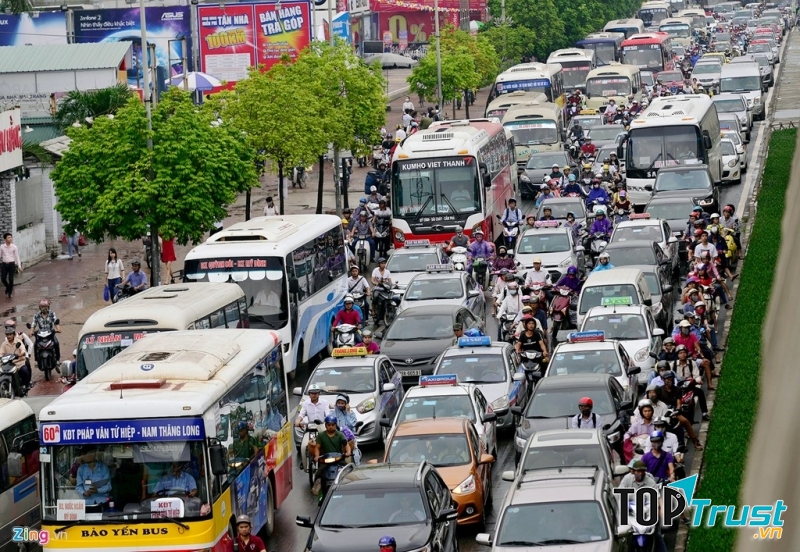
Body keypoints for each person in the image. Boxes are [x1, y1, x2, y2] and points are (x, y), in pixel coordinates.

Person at [656, 371, 703, 450]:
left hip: (674, 411)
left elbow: (678, 402)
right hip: (662, 412)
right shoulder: (660, 390)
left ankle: (695, 441)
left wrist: (677, 409)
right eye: (667, 379)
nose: (669, 381)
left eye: (670, 379)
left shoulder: (677, 389)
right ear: (663, 380)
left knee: (684, 421)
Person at [309, 414, 350, 495]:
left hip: (338, 460)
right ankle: (318, 486)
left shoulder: (340, 435)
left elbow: (346, 444)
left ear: (336, 425)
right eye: (329, 425)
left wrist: (348, 452)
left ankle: (347, 488)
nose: (331, 427)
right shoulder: (321, 436)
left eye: (333, 425)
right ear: (326, 425)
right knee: (319, 473)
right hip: (326, 461)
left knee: (347, 471)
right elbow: (317, 447)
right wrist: (317, 456)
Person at [295, 385, 331, 469]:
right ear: (309, 394)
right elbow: (301, 414)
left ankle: (328, 458)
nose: (314, 395)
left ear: (319, 394)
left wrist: (328, 421)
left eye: (316, 393)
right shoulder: (305, 403)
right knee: (303, 444)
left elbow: (327, 413)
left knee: (326, 443)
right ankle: (303, 461)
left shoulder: (325, 402)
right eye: (312, 393)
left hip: (321, 426)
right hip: (309, 427)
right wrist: (298, 421)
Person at [31, 299, 61, 367]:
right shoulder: (37, 315)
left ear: (48, 307)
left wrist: (58, 329)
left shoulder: (52, 314)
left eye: (45, 307)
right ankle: (36, 361)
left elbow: (56, 322)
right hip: (40, 334)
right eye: (42, 307)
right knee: (35, 344)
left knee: (56, 343)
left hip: (50, 334)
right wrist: (31, 332)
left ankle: (58, 360)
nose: (44, 309)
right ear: (40, 307)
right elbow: (33, 325)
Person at [0, 232, 22, 299]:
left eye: (11, 237)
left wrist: (19, 266)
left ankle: (10, 293)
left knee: (11, 279)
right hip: (4, 264)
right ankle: (7, 287)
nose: (10, 239)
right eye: (8, 237)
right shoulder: (1, 247)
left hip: (12, 264)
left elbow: (17, 256)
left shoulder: (14, 247)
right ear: (5, 239)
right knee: (3, 278)